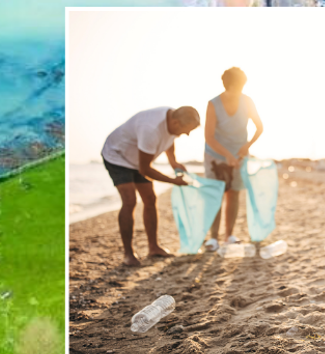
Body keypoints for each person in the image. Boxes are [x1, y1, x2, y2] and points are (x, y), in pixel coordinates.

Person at [102, 106, 201, 267]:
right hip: (117, 155)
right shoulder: (150, 128)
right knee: (130, 201)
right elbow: (145, 169)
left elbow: (169, 139)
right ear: (175, 122)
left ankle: (153, 247)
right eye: (186, 130)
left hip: (138, 159)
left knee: (150, 199)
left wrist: (173, 161)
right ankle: (128, 254)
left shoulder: (172, 120)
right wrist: (172, 181)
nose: (187, 134)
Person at [202, 67, 264, 252]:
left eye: (242, 86)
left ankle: (229, 235)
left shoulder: (247, 101)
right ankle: (213, 238)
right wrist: (227, 155)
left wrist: (247, 146)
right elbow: (209, 137)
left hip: (239, 154)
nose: (239, 90)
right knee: (216, 194)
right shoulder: (213, 104)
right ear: (226, 85)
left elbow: (259, 127)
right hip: (215, 155)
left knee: (234, 193)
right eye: (236, 86)